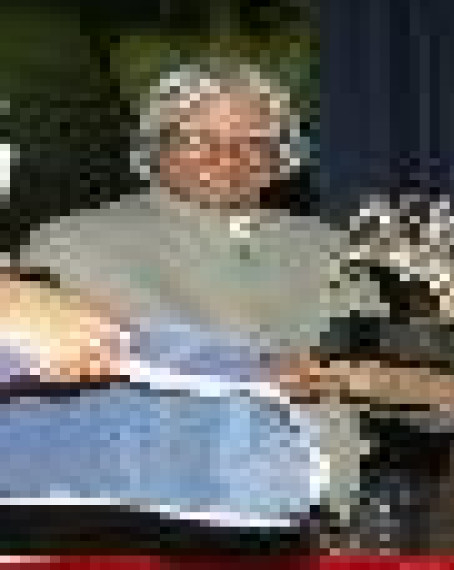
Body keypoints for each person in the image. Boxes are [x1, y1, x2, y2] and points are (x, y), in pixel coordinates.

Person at [19, 61, 384, 539]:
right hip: (151, 520)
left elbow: (383, 373)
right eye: (199, 138)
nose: (228, 157)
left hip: (322, 517)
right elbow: (33, 394)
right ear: (155, 148)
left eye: (255, 141)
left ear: (282, 157)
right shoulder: (71, 245)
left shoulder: (329, 248)